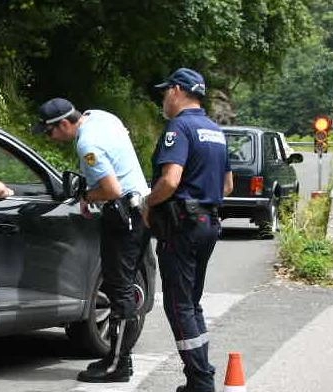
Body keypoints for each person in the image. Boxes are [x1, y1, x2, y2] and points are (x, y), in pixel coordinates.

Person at [32, 98, 150, 383]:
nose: (51, 138)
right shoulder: (99, 116)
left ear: (63, 124)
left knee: (119, 289)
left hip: (124, 215)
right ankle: (116, 357)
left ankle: (119, 364)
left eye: (50, 132)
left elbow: (111, 189)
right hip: (141, 209)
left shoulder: (87, 145)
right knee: (121, 286)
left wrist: (86, 196)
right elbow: (124, 133)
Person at [141, 68, 233, 392]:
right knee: (192, 304)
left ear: (178, 91)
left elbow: (170, 180)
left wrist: (146, 203)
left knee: (178, 306)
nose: (164, 98)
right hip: (208, 222)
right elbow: (228, 184)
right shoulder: (215, 130)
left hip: (181, 226)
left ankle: (201, 381)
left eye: (166, 92)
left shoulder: (179, 127)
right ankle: (198, 377)